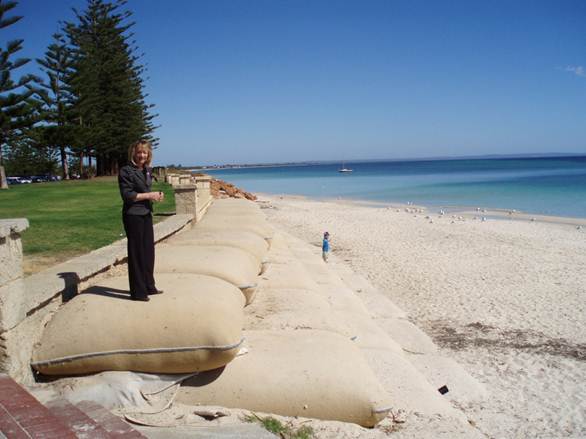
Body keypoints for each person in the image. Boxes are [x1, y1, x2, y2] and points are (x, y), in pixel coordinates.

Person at [118, 140, 164, 301]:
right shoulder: (126, 171)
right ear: (133, 153)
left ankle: (149, 286)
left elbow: (145, 189)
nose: (142, 155)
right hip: (133, 215)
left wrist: (156, 195)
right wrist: (150, 195)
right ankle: (138, 292)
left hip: (146, 213)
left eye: (145, 152)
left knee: (148, 252)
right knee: (137, 253)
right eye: (139, 152)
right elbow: (128, 195)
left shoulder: (147, 170)